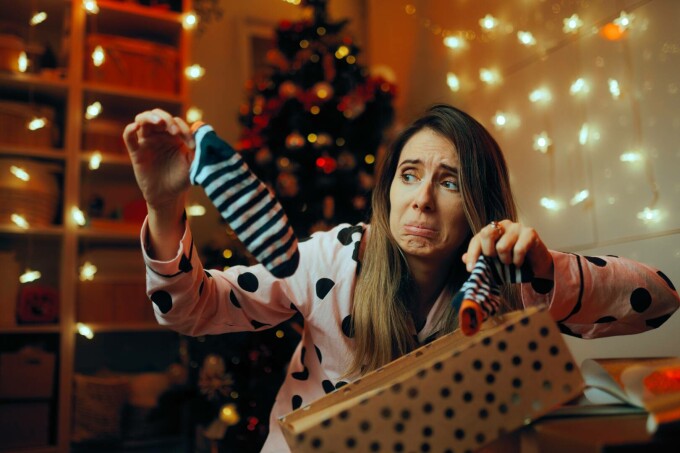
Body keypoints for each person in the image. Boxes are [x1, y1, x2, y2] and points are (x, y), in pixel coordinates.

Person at [123, 104, 679, 452]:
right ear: (388, 188)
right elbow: (191, 308)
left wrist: (546, 270)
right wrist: (163, 207)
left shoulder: (510, 280)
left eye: (450, 182)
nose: (421, 199)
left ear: (480, 203)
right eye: (409, 175)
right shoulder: (329, 261)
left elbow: (660, 299)